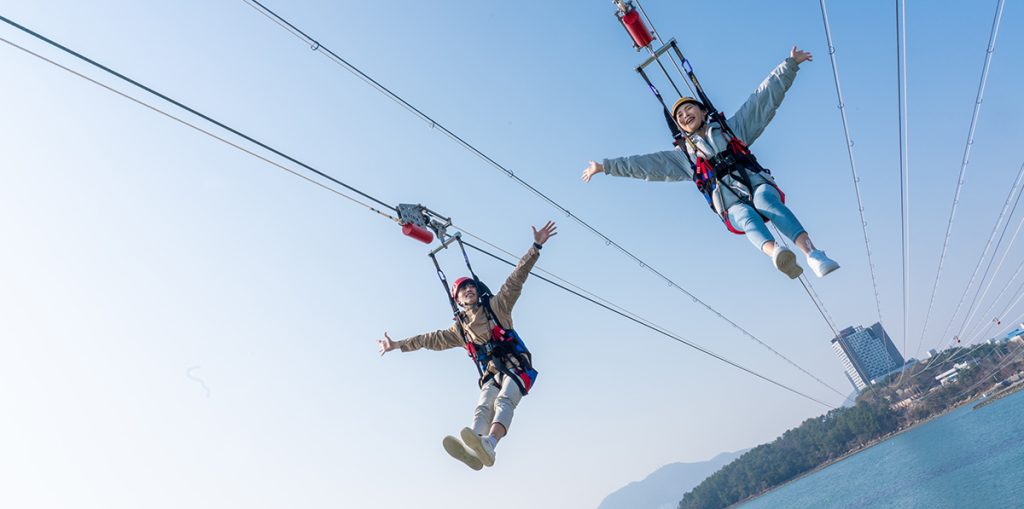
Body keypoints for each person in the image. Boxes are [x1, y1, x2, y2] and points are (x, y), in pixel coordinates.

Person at [582, 47, 839, 279]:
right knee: (745, 215)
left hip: (757, 185)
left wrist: (789, 65)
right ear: (680, 128)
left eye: (688, 109)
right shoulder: (686, 157)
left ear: (704, 111)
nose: (684, 115)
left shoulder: (731, 130)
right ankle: (777, 254)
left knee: (764, 200)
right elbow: (646, 165)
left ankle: (813, 254)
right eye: (679, 116)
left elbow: (762, 100)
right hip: (730, 205)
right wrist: (605, 166)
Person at [377, 221, 557, 470]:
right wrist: (397, 344)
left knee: (504, 400)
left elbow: (516, 278)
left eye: (471, 286)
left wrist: (535, 247)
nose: (469, 289)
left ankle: (490, 444)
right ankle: (474, 448)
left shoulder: (497, 307)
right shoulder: (460, 330)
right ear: (458, 301)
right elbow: (428, 339)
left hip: (517, 366)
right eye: (463, 290)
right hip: (492, 373)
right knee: (483, 406)